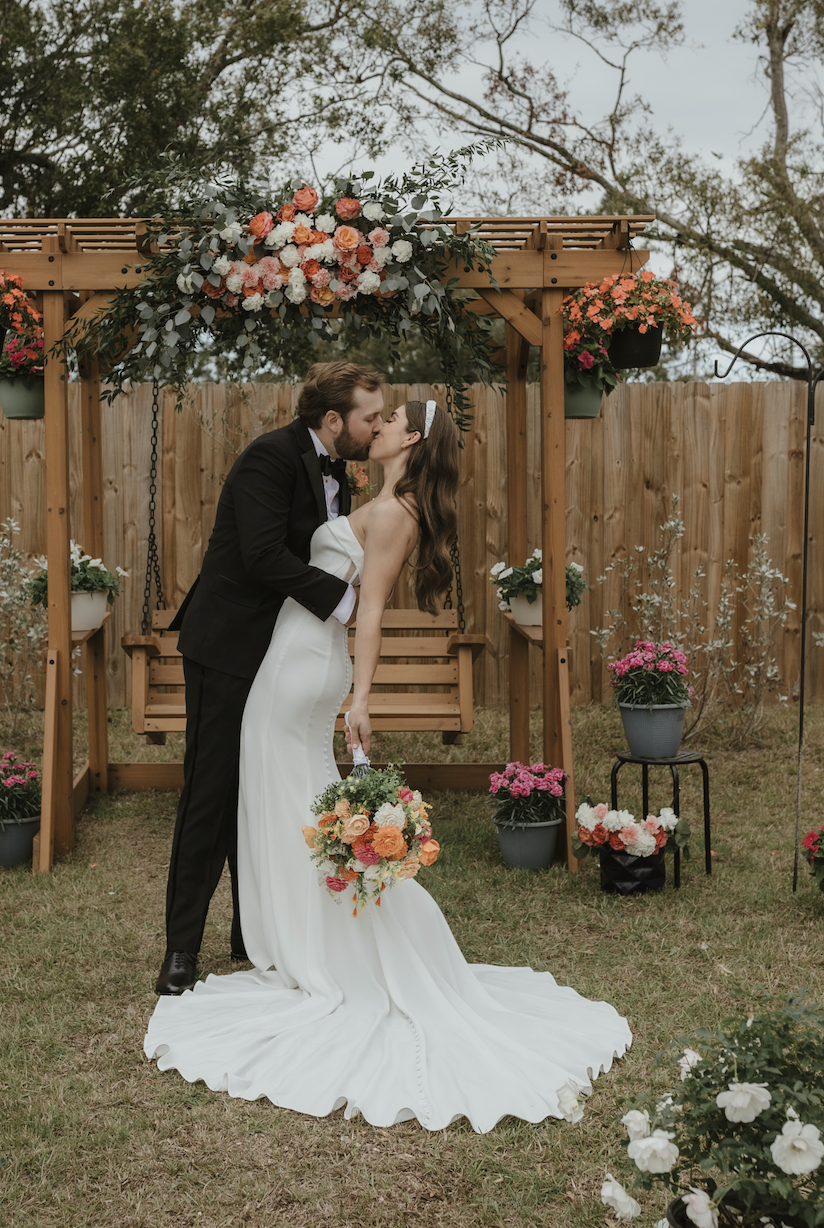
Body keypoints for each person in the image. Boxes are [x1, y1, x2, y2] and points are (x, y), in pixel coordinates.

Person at [144, 398, 632, 1132]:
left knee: (284, 792)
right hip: (293, 657)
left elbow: (367, 608)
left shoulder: (394, 511)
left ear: (412, 440)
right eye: (376, 415)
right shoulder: (366, 494)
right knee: (287, 794)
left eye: (392, 419)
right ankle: (279, 932)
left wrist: (362, 694)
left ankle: (301, 938)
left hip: (302, 664)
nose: (379, 427)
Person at [156, 361, 386, 996]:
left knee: (264, 787)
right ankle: (181, 949)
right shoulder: (269, 457)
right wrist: (346, 605)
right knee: (212, 791)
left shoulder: (339, 467)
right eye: (369, 416)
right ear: (332, 419)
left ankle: (251, 928)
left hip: (284, 654)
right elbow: (261, 556)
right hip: (230, 646)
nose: (376, 427)